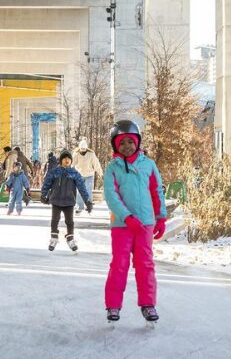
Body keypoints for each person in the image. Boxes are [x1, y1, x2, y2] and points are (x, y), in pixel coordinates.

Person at [102, 120, 166, 323]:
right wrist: (127, 217)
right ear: (115, 146)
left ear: (138, 142)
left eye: (131, 141)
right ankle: (113, 305)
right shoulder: (112, 168)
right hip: (122, 225)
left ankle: (148, 304)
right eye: (122, 143)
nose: (127, 146)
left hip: (145, 223)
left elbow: (157, 191)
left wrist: (160, 217)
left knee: (145, 264)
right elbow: (111, 196)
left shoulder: (148, 165)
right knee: (119, 264)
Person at [40, 149, 92, 252]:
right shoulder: (55, 172)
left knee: (70, 222)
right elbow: (47, 183)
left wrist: (87, 201)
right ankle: (54, 238)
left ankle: (70, 239)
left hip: (69, 201)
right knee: (55, 220)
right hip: (56, 200)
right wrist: (43, 195)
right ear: (61, 160)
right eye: (64, 158)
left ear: (71, 161)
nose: (67, 160)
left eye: (69, 158)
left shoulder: (74, 173)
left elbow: (82, 188)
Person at [71, 139, 102, 215]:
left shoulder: (91, 154)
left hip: (89, 175)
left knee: (88, 190)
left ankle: (88, 206)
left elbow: (96, 164)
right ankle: (79, 207)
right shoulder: (76, 154)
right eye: (81, 149)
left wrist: (101, 173)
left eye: (84, 149)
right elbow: (72, 164)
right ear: (79, 148)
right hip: (79, 175)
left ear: (86, 148)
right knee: (79, 191)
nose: (83, 151)